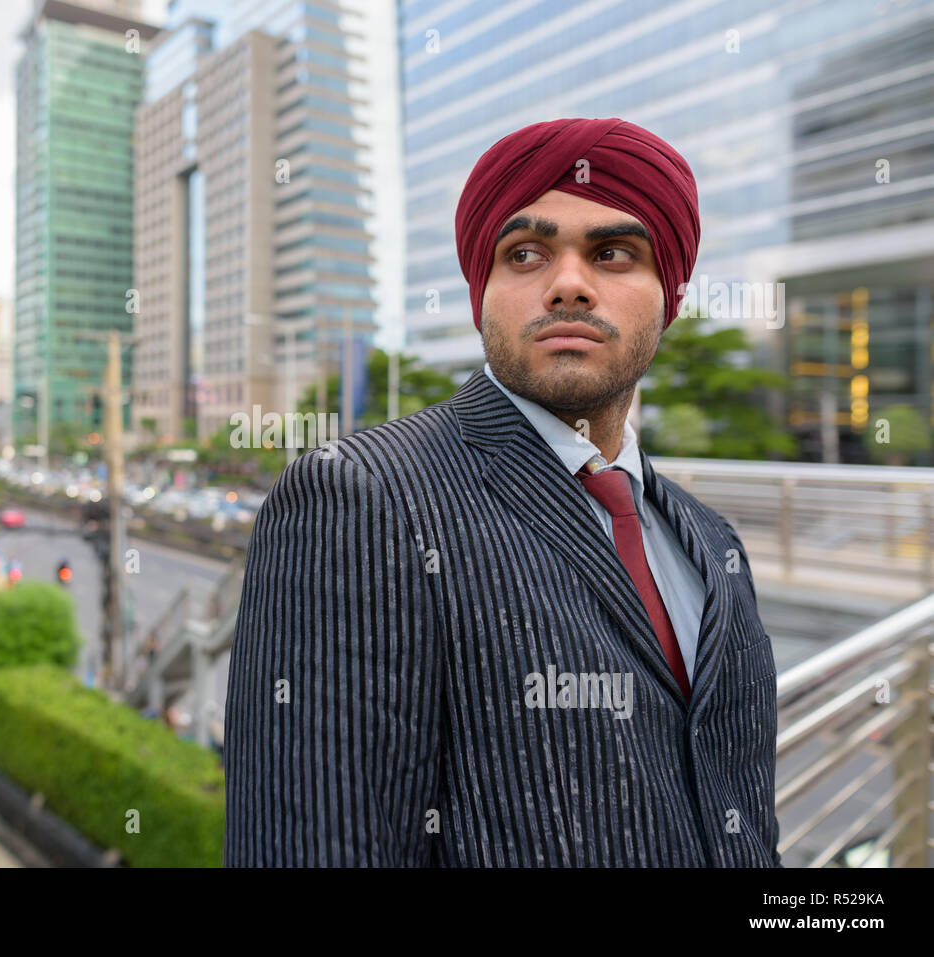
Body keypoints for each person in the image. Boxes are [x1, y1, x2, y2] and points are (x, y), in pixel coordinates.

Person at [223, 117, 781, 868]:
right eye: (525, 253)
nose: (569, 283)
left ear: (668, 291)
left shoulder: (712, 542)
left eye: (613, 253)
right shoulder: (360, 498)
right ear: (482, 290)